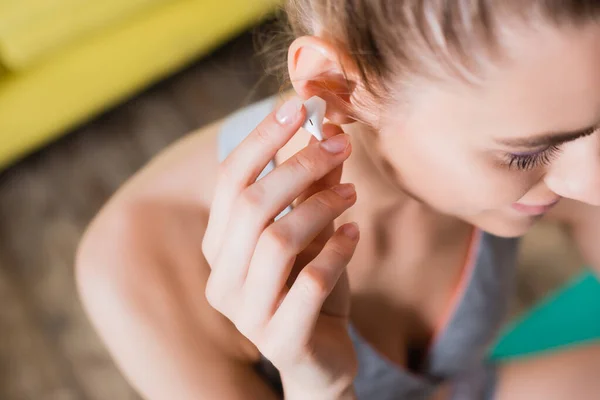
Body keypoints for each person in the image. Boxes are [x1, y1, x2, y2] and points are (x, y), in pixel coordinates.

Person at [75, 1, 600, 399]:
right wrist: (318, 386)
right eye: (530, 154)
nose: (592, 186)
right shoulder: (137, 259)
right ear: (337, 87)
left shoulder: (560, 103)